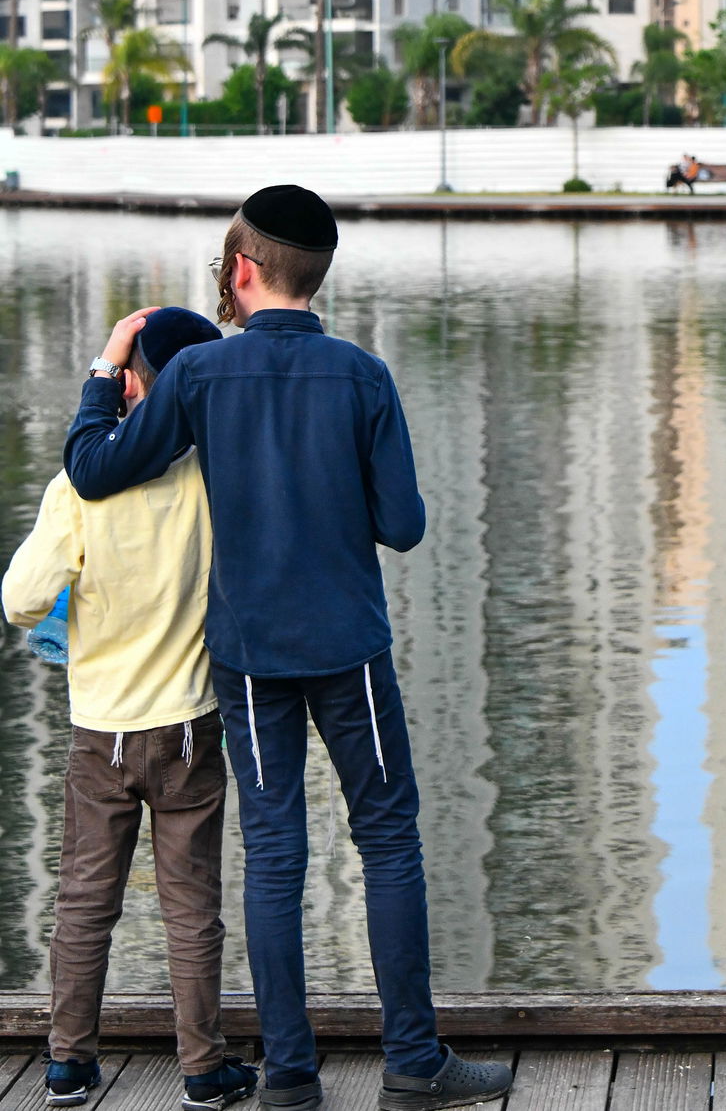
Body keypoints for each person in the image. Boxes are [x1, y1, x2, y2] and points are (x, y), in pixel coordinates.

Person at [64, 186, 512, 1111]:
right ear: (318, 275)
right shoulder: (363, 375)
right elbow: (404, 526)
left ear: (240, 270)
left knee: (274, 853)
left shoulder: (197, 375)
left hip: (249, 655)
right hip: (349, 646)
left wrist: (109, 367)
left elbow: (95, 469)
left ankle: (291, 1077)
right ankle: (414, 1061)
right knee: (386, 840)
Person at [2, 306, 257, 1111]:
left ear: (130, 384)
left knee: (84, 903)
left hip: (99, 733)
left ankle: (68, 1065)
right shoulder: (215, 478)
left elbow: (20, 600)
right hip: (189, 726)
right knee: (193, 909)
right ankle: (203, 1070)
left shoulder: (78, 488)